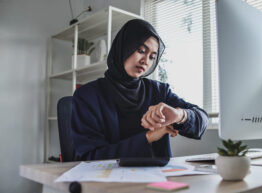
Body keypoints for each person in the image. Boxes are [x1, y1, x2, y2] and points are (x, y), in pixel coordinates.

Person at [71, 19, 209, 161]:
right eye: (141, 51)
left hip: (157, 178)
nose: (146, 61)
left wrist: (180, 115)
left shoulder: (159, 91)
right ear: (124, 47)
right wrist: (148, 137)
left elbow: (202, 121)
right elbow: (90, 156)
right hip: (108, 179)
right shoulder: (87, 96)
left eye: (152, 57)